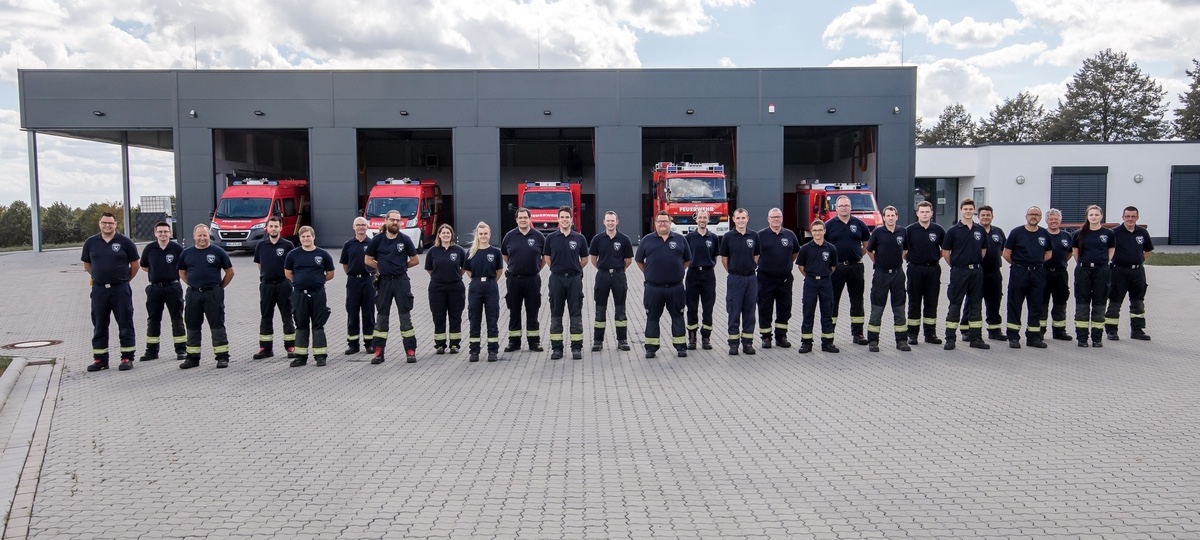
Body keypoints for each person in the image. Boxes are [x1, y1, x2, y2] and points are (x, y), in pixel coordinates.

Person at [82, 212, 140, 372]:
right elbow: (87, 264)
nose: (107, 225)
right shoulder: (91, 243)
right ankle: (100, 359)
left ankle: (127, 357)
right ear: (99, 224)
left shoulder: (125, 242)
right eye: (104, 223)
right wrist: (98, 276)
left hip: (120, 289)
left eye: (110, 223)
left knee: (125, 323)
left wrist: (124, 280)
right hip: (99, 290)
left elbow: (135, 265)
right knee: (99, 324)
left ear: (116, 224)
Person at [365, 209, 420, 364]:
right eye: (392, 220)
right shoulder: (377, 240)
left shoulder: (405, 240)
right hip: (384, 282)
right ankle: (378, 352)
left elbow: (415, 260)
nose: (395, 223)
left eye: (398, 220)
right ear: (386, 221)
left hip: (401, 281)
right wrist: (381, 267)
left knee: (405, 318)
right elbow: (368, 260)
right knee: (382, 318)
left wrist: (401, 267)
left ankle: (410, 351)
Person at [635, 211, 691, 358]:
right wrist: (649, 273)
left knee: (678, 316)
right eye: (660, 221)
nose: (662, 224)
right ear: (656, 223)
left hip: (675, 288)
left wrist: (678, 271)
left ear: (670, 222)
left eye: (665, 221)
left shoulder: (680, 240)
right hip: (653, 288)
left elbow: (687, 260)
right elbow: (639, 260)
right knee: (652, 317)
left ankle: (680, 347)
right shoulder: (647, 240)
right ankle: (651, 348)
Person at [178, 224, 235, 369]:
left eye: (205, 235)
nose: (202, 238)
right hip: (193, 294)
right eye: (200, 235)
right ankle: (192, 358)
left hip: (213, 294)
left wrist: (219, 287)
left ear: (208, 236)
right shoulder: (186, 253)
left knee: (217, 325)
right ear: (194, 236)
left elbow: (230, 272)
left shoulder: (218, 252)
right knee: (192, 325)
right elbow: (182, 272)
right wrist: (192, 284)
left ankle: (222, 357)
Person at [941, 198, 989, 350]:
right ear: (961, 210)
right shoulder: (953, 230)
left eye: (970, 209)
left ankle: (976, 338)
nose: (968, 212)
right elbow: (946, 252)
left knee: (975, 305)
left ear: (973, 211)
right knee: (955, 304)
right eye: (965, 209)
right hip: (959, 272)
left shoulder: (979, 230)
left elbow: (983, 250)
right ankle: (950, 339)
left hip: (976, 271)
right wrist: (956, 265)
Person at [284, 226, 335, 366]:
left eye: (308, 236)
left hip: (318, 294)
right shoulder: (293, 255)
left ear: (314, 237)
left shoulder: (323, 254)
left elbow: (330, 274)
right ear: (300, 239)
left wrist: (317, 281)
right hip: (300, 294)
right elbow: (288, 273)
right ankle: (300, 357)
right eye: (303, 237)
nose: (306, 239)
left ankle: (320, 356)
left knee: (318, 325)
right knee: (301, 325)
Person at [1002, 206, 1052, 349]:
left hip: (1038, 273)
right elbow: (1006, 253)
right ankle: (1013, 337)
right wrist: (1019, 265)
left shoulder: (1044, 234)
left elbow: (1048, 254)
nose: (1033, 217)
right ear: (1026, 216)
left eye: (1037, 215)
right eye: (1031, 214)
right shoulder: (1016, 232)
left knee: (1036, 305)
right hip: (1019, 272)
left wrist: (1037, 264)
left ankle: (1033, 337)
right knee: (1015, 304)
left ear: (1041, 218)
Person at [542, 206, 589, 360]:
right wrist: (558, 268)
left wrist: (574, 268)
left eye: (567, 217)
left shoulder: (579, 238)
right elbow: (547, 258)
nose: (564, 220)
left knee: (575, 313)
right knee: (556, 313)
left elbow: (585, 259)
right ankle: (557, 348)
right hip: (556, 279)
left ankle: (576, 347)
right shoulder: (551, 238)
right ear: (558, 219)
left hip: (575, 279)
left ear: (571, 219)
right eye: (562, 217)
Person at [824, 195, 871, 345]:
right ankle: (829, 334)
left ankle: (858, 334)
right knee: (833, 301)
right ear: (836, 208)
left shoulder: (859, 224)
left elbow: (866, 244)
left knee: (857, 300)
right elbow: (823, 246)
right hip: (836, 268)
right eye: (841, 206)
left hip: (855, 267)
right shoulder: (829, 225)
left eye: (846, 205)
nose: (844, 208)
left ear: (851, 207)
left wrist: (857, 255)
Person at [138, 221, 186, 362]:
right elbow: (144, 266)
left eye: (165, 231)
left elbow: (184, 267)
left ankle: (181, 349)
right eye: (160, 232)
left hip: (173, 287)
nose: (163, 234)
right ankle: (151, 351)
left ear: (170, 233)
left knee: (177, 319)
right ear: (155, 233)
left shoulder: (177, 249)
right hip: (154, 289)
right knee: (153, 319)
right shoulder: (149, 248)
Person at [1105, 206, 1154, 341]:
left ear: (1137, 218)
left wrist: (1138, 259)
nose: (1130, 219)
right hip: (1119, 271)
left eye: (1133, 216)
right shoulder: (1114, 233)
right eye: (1127, 216)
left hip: (1137, 272)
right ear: (1123, 217)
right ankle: (1111, 331)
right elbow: (1106, 250)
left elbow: (1148, 250)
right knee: (1115, 301)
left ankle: (1137, 331)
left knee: (1138, 302)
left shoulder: (1142, 233)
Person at [865, 206, 910, 352]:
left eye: (893, 215)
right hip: (881, 275)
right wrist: (879, 263)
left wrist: (897, 261)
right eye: (888, 215)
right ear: (884, 218)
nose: (890, 218)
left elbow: (905, 249)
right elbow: (869, 250)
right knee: (877, 309)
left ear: (897, 217)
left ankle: (902, 341)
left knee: (899, 308)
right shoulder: (878, 232)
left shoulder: (902, 231)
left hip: (898, 274)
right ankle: (873, 341)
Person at [501, 207, 546, 352]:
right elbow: (505, 255)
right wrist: (515, 266)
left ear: (529, 219)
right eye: (520, 218)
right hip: (514, 280)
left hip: (532, 279)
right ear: (516, 220)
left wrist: (537, 267)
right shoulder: (509, 236)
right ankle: (514, 342)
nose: (522, 220)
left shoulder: (539, 236)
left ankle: (534, 342)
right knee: (514, 310)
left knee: (533, 310)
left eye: (525, 217)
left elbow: (545, 256)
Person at [251, 216, 296, 360]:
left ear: (281, 228)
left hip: (284, 284)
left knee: (287, 315)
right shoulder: (261, 245)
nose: (274, 229)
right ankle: (265, 348)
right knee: (266, 316)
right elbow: (260, 265)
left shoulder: (288, 245)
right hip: (266, 285)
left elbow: (292, 266)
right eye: (271, 226)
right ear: (267, 228)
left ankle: (290, 346)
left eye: (276, 226)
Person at [589, 211, 634, 352]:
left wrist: (617, 270)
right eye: (608, 221)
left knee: (620, 310)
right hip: (602, 276)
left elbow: (628, 260)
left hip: (619, 276)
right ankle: (598, 341)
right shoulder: (597, 239)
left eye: (612, 221)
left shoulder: (624, 239)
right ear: (604, 222)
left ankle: (622, 340)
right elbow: (593, 259)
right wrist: (604, 270)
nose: (610, 223)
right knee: (600, 310)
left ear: (617, 221)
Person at [960, 206, 1006, 342]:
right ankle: (966, 330)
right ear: (978, 217)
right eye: (983, 215)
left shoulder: (998, 232)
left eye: (988, 215)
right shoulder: (973, 231)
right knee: (972, 301)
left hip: (994, 273)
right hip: (976, 273)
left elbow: (1002, 250)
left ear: (992, 216)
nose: (985, 217)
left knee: (994, 301)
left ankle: (994, 329)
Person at [756, 208, 800, 349]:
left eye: (778, 217)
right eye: (773, 217)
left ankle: (781, 336)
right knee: (765, 308)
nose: (776, 219)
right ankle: (766, 337)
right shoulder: (760, 236)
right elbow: (755, 255)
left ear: (782, 218)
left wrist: (784, 265)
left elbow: (795, 253)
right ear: (768, 219)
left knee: (784, 308)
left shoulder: (790, 235)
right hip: (765, 279)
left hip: (785, 280)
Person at [1071, 205, 1113, 348]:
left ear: (1101, 216)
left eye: (1096, 214)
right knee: (1082, 303)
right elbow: (1075, 253)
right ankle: (1082, 338)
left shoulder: (1108, 234)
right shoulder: (1079, 233)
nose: (1094, 217)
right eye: (1091, 215)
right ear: (1087, 216)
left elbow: (1111, 250)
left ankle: (1097, 338)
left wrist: (1103, 263)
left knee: (1099, 303)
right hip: (1084, 270)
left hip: (1101, 270)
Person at [719, 208, 760, 356]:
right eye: (738, 218)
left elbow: (756, 256)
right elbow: (724, 259)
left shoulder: (754, 236)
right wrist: (733, 271)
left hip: (751, 278)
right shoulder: (728, 237)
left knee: (750, 312)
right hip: (735, 279)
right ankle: (733, 344)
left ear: (747, 219)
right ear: (733, 219)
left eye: (743, 218)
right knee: (734, 311)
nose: (741, 221)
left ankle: (747, 343)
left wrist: (749, 269)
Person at [905, 201, 945, 345]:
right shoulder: (909, 230)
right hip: (915, 269)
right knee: (914, 301)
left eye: (927, 212)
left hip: (933, 270)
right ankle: (912, 334)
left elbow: (944, 249)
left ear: (932, 213)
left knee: (931, 302)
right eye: (922, 212)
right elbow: (904, 251)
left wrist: (934, 257)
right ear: (917, 213)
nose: (924, 214)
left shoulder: (938, 230)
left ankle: (930, 334)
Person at [796, 219, 839, 354]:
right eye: (815, 230)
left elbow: (833, 267)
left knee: (827, 313)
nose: (817, 233)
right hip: (810, 283)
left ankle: (827, 343)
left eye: (820, 230)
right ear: (811, 232)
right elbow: (801, 267)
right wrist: (812, 277)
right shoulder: (805, 248)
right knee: (808, 313)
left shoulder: (831, 248)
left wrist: (823, 276)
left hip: (826, 283)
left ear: (824, 231)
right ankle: (806, 343)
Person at [465, 222, 505, 362]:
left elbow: (499, 271)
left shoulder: (495, 252)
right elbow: (468, 271)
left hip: (490, 288)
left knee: (492, 320)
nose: (483, 236)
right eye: (480, 234)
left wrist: (490, 281)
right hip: (475, 288)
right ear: (477, 235)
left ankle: (492, 351)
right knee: (474, 319)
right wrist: (478, 280)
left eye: (485, 234)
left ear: (489, 234)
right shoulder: (471, 252)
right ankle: (474, 351)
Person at [426, 224, 467, 354]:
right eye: (443, 233)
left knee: (455, 316)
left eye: (448, 233)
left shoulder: (459, 250)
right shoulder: (432, 251)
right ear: (439, 235)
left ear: (451, 235)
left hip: (456, 287)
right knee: (438, 316)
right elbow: (429, 268)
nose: (446, 235)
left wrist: (455, 276)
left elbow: (464, 267)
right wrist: (439, 277)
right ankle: (440, 345)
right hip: (437, 288)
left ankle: (454, 344)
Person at [684, 209, 720, 350]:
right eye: (700, 217)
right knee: (691, 307)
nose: (702, 220)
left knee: (708, 307)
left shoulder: (714, 238)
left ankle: (706, 338)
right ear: (696, 219)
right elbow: (685, 257)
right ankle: (692, 338)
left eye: (705, 217)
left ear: (708, 219)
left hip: (708, 275)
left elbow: (715, 256)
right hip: (693, 274)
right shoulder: (689, 238)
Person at [341, 217, 376, 354]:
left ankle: (370, 343)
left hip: (368, 281)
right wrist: (352, 274)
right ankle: (353, 344)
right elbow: (345, 264)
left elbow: (377, 262)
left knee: (369, 313)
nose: (361, 227)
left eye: (363, 225)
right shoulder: (348, 245)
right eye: (358, 225)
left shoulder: (373, 243)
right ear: (353, 227)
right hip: (353, 282)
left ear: (367, 227)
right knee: (352, 313)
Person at [1040, 209, 1074, 341]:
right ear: (1046, 220)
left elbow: (1069, 253)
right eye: (1051, 219)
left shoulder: (1066, 236)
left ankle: (1059, 331)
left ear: (1060, 220)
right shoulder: (1041, 234)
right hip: (1043, 272)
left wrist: (1061, 262)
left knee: (1061, 301)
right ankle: (1040, 331)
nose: (1053, 221)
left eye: (1056, 219)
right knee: (1042, 302)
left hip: (1060, 273)